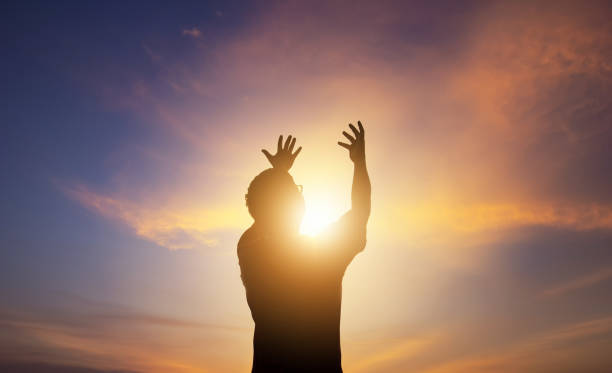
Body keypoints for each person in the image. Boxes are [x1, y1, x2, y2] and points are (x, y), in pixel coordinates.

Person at [237, 121, 371, 373]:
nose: (301, 195)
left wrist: (278, 173)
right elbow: (360, 212)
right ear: (291, 204)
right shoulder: (322, 256)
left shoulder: (249, 249)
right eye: (295, 191)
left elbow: (263, 218)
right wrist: (359, 164)